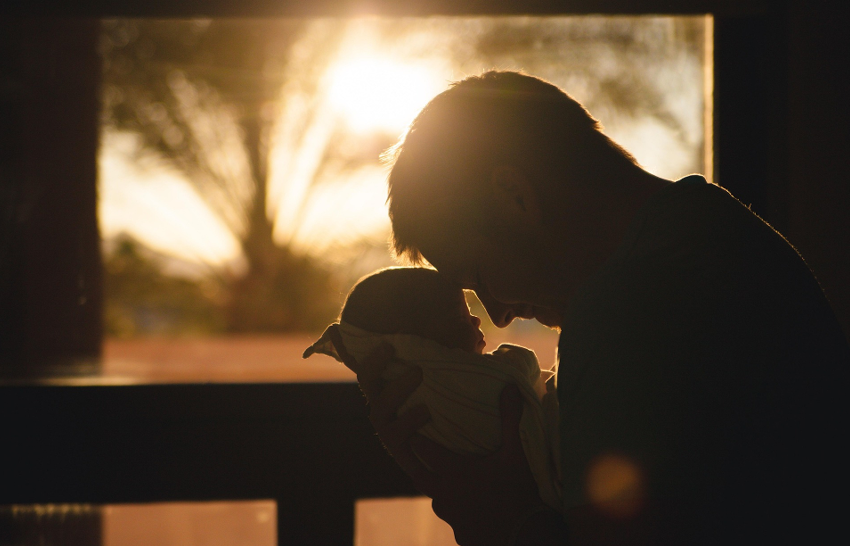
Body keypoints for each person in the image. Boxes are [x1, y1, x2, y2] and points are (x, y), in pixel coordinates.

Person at [354, 71, 850, 546]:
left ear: (514, 196)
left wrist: (494, 514)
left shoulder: (624, 312)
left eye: (478, 278)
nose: (499, 315)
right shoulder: (719, 230)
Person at [303, 267, 562, 511]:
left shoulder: (410, 402)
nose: (479, 318)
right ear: (412, 345)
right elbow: (523, 372)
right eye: (458, 316)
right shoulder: (453, 385)